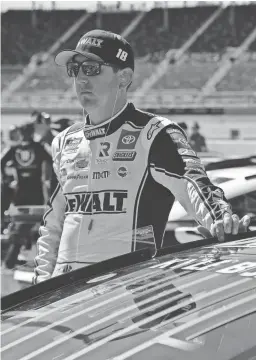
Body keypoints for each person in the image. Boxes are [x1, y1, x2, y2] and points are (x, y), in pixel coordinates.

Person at [34, 29, 250, 283]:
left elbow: (194, 181)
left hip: (125, 290)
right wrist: (42, 283)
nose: (81, 78)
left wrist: (220, 218)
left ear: (124, 77)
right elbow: (53, 224)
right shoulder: (64, 141)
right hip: (65, 293)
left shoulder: (154, 133)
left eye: (91, 68)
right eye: (75, 69)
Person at [1, 122, 52, 268]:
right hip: (37, 196)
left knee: (21, 226)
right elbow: (54, 161)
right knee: (43, 226)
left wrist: (6, 179)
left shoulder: (14, 148)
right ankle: (41, 261)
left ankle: (12, 259)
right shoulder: (39, 147)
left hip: (19, 196)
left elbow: (1, 162)